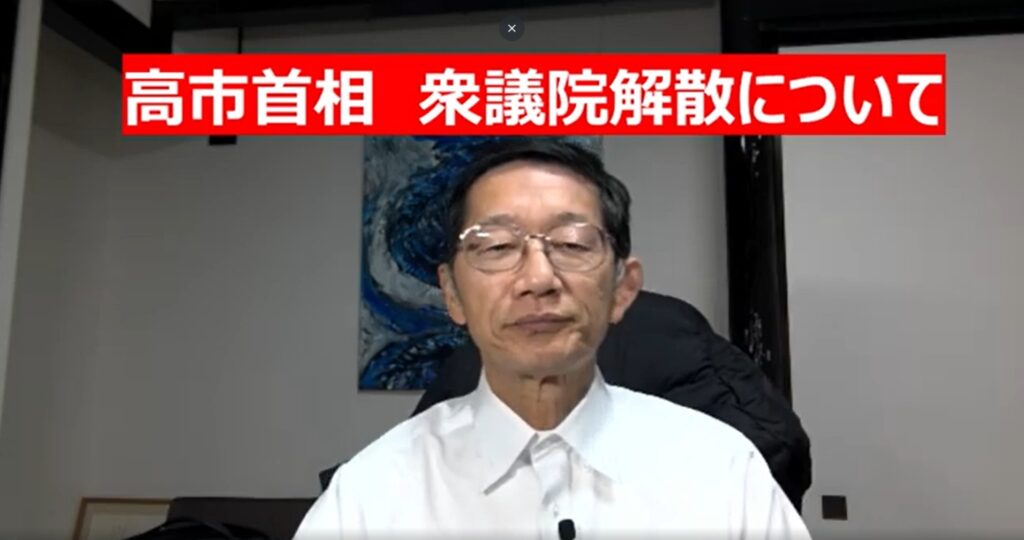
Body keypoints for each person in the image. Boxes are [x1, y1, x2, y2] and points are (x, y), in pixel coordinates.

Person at [293, 138, 812, 540]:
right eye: (496, 246)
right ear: (452, 293)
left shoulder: (721, 471)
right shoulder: (370, 496)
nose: (538, 278)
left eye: (572, 243)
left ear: (622, 289)